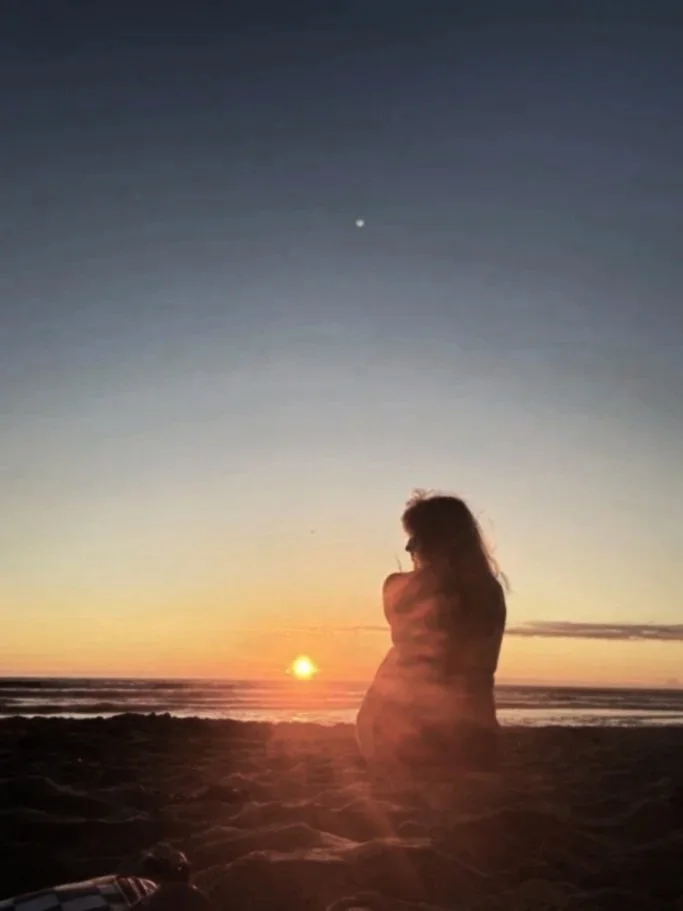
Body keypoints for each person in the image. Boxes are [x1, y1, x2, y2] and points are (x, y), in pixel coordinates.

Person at [356, 491, 507, 778]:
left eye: (415, 538)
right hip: (477, 742)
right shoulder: (490, 592)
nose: (409, 547)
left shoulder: (398, 588)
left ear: (436, 542)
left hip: (400, 736)